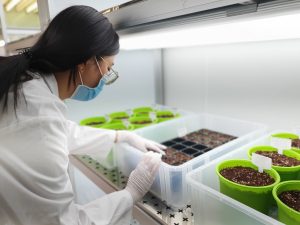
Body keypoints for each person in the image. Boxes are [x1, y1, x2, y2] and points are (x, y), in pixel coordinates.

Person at [0, 5, 166, 225]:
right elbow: (67, 222)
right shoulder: (39, 116)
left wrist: (118, 136)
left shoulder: (28, 86)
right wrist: (130, 194)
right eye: (108, 68)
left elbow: (60, 131)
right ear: (86, 63)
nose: (106, 77)